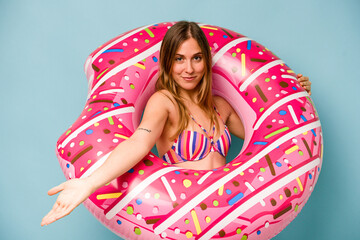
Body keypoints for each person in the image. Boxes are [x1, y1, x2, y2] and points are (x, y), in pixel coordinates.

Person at [41, 21, 311, 226]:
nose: (189, 69)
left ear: (206, 59)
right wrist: (87, 183)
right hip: (185, 217)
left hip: (227, 216)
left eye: (196, 58)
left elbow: (270, 134)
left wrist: (291, 95)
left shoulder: (222, 106)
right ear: (168, 63)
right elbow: (139, 141)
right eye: (179, 59)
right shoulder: (164, 102)